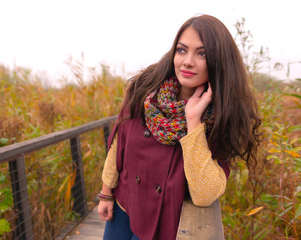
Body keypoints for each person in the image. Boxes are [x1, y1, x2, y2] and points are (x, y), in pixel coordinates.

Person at [97, 14, 261, 240]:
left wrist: (193, 122)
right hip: (125, 205)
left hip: (163, 220)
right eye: (182, 50)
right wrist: (106, 193)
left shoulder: (222, 115)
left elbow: (205, 194)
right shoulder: (145, 90)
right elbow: (119, 143)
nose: (187, 61)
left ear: (219, 61)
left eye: (202, 53)